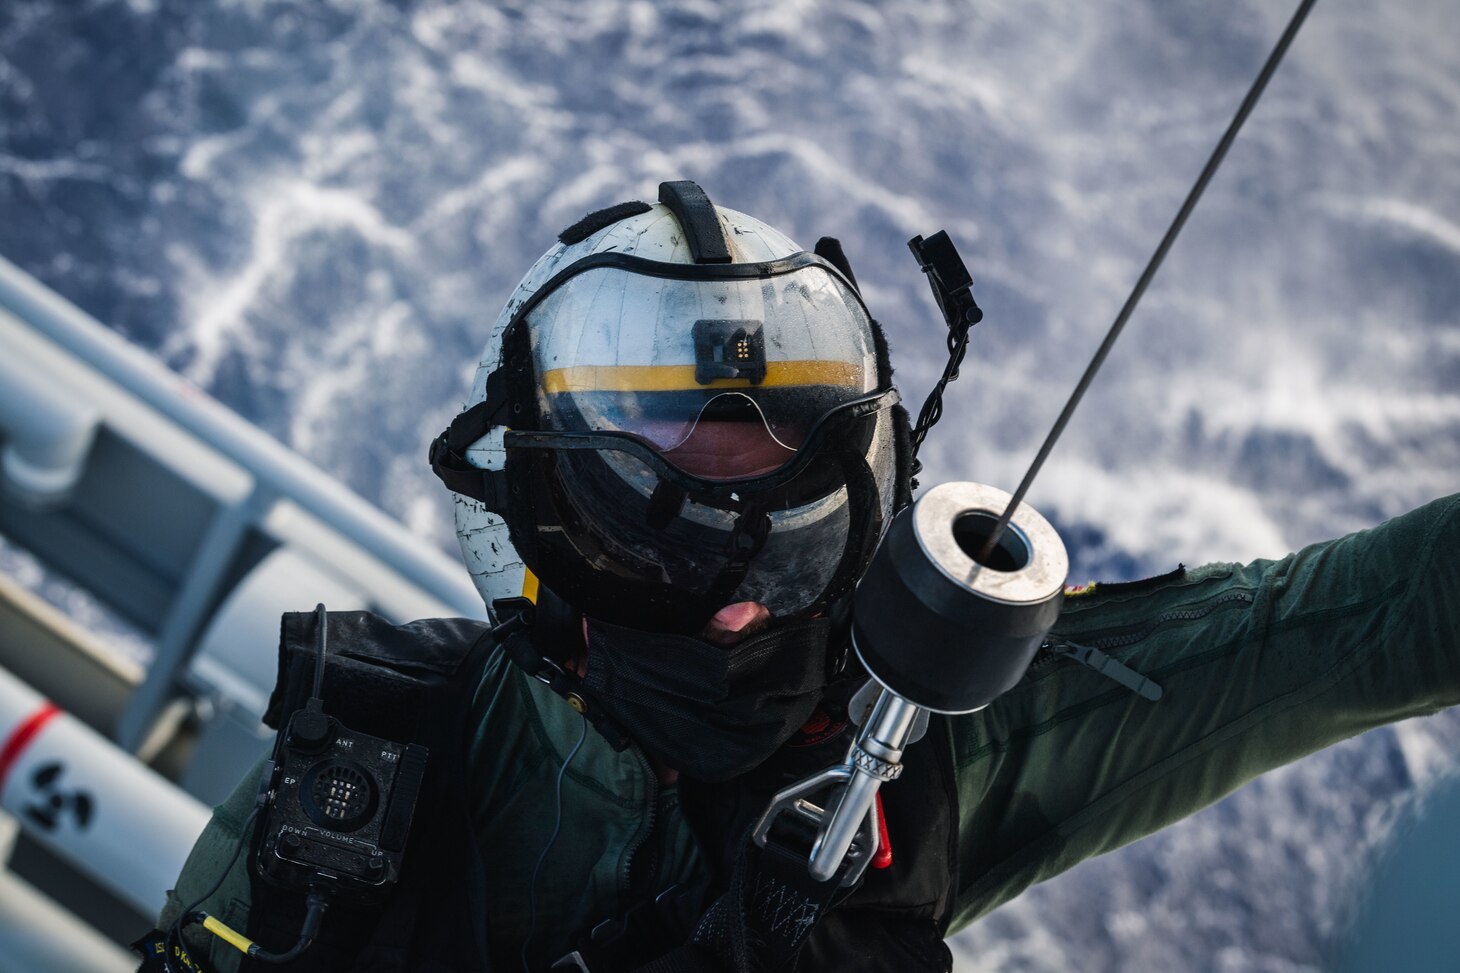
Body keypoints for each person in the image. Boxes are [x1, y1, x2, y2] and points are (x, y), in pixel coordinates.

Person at [145, 181, 1460, 973]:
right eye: (657, 543)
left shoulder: (921, 740)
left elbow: (1351, 626)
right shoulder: (360, 787)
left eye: (787, 540)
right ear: (548, 523)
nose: (733, 603)